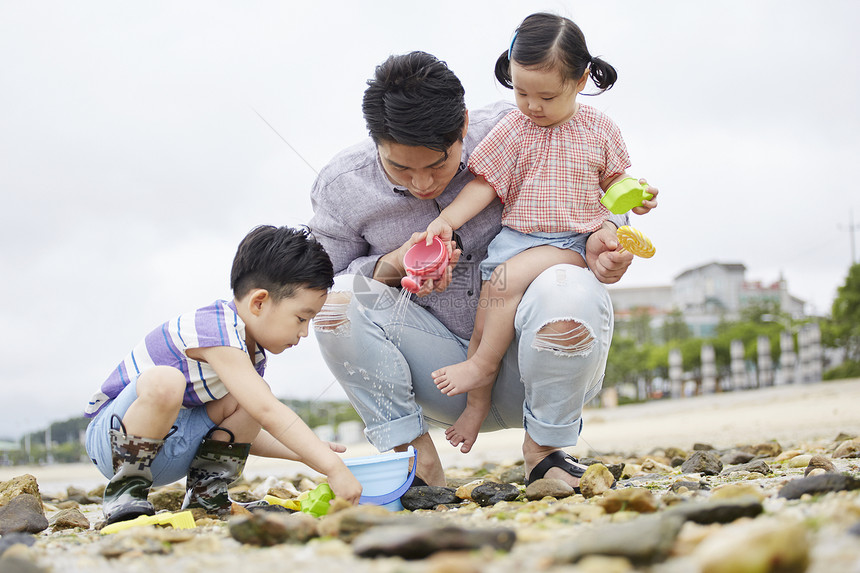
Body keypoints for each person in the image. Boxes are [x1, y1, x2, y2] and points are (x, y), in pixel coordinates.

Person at [309, 49, 637, 490]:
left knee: (568, 284)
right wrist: (393, 266)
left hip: (540, 356)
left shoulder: (520, 128)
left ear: (463, 125)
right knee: (336, 303)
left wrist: (609, 236)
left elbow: (599, 190)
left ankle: (545, 452)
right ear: (376, 142)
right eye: (400, 168)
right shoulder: (342, 185)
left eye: (438, 163)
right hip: (438, 378)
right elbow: (315, 285)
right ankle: (414, 461)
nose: (422, 184)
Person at [424, 13, 657, 453]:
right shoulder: (513, 129)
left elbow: (616, 183)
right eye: (521, 91)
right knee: (485, 314)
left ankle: (481, 368)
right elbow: (485, 184)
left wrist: (635, 196)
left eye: (546, 96)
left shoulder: (599, 129)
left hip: (575, 242)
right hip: (519, 238)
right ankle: (475, 405)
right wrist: (447, 222)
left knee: (505, 285)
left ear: (581, 78)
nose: (532, 105)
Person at [84, 225, 362, 525]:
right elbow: (268, 410)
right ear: (259, 302)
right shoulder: (215, 329)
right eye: (301, 318)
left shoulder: (250, 357)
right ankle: (124, 492)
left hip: (171, 452)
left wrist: (310, 452)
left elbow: (250, 430)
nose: (304, 332)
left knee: (249, 399)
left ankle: (206, 496)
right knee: (168, 381)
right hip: (115, 443)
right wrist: (333, 467)